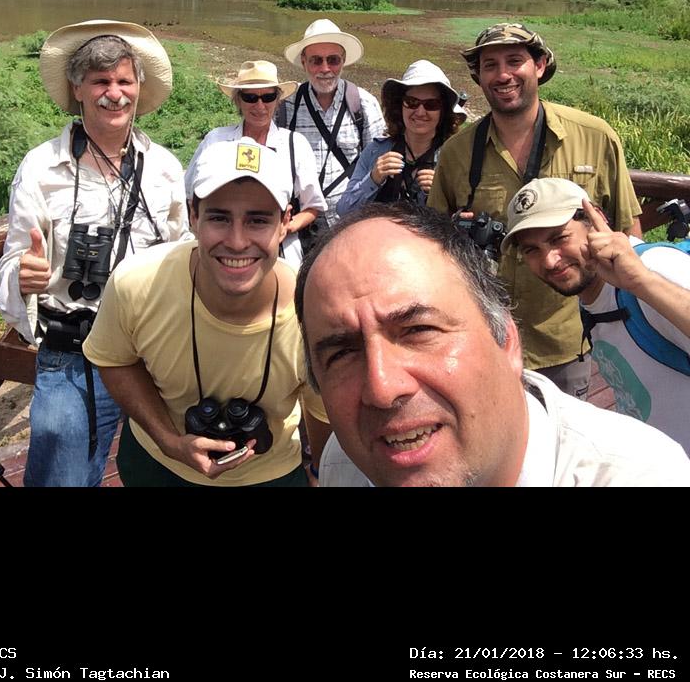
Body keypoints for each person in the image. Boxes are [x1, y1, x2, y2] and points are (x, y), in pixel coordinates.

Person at [293, 203, 690, 487]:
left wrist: (640, 281)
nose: (381, 388)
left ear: (507, 340)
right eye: (342, 353)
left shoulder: (641, 475)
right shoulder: (345, 465)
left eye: (418, 331)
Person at [0, 19, 189, 487]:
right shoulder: (42, 167)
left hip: (147, 353)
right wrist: (22, 275)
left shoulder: (163, 168)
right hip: (71, 353)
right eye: (101, 81)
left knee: (155, 469)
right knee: (62, 477)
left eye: (124, 81)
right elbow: (13, 258)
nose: (114, 94)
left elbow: (182, 252)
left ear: (139, 87)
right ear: (77, 89)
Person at [83, 138, 330, 487]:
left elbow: (322, 411)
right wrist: (169, 441)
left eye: (258, 221)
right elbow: (115, 360)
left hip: (268, 475)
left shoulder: (315, 313)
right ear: (193, 216)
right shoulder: (137, 283)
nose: (237, 242)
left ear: (284, 223)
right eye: (219, 218)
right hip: (157, 465)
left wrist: (320, 472)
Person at [427, 22, 642, 400]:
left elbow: (630, 233)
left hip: (567, 339)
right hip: (484, 338)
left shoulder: (594, 136)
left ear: (540, 65)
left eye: (515, 61)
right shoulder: (458, 152)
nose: (503, 75)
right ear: (478, 76)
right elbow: (432, 242)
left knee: (563, 435)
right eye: (490, 65)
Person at [503, 177, 690, 453]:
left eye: (559, 238)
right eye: (532, 250)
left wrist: (642, 282)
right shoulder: (592, 294)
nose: (550, 260)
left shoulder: (655, 267)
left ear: (595, 220)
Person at [184, 60, 326, 267]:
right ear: (238, 100)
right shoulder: (215, 140)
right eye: (250, 98)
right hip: (221, 246)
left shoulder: (295, 144)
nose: (260, 106)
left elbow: (313, 206)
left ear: (278, 100)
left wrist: (281, 228)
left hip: (282, 252)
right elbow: (190, 194)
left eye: (268, 97)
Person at [278, 18, 385, 243]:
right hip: (298, 225)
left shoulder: (364, 104)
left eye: (333, 60)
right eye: (316, 60)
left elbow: (378, 168)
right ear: (304, 62)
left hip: (349, 225)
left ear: (343, 61)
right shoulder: (287, 106)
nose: (325, 69)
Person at [337, 60, 465, 216]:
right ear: (399, 106)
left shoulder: (455, 159)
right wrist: (373, 179)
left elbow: (464, 218)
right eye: (412, 102)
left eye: (431, 104)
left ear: (443, 111)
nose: (420, 112)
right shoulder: (375, 151)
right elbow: (344, 210)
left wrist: (441, 196)